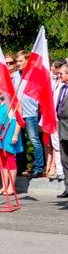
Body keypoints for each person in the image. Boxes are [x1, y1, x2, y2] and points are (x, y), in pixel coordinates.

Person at [0, 92, 24, 196]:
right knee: (2, 161)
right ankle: (4, 186)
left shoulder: (14, 100)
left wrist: (16, 135)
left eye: (2, 87)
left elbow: (19, 119)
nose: (0, 90)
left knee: (10, 159)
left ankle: (11, 187)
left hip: (10, 132)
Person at [16, 50, 44, 179]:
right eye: (17, 61)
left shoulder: (34, 75)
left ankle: (39, 167)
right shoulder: (16, 75)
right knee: (18, 140)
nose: (18, 63)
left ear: (28, 61)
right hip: (18, 113)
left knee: (34, 140)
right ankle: (21, 166)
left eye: (21, 61)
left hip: (31, 112)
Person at [55, 64, 68, 198]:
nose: (60, 76)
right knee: (65, 159)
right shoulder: (62, 87)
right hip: (61, 126)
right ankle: (67, 187)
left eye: (62, 74)